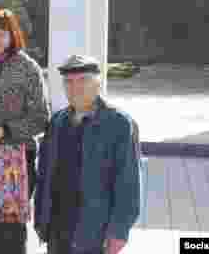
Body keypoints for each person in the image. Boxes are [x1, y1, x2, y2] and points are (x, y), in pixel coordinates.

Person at [35, 55, 141, 254]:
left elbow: (129, 183)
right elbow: (45, 174)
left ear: (97, 83)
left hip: (94, 233)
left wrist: (119, 232)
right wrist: (41, 220)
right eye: (69, 82)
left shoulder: (119, 124)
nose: (75, 87)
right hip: (58, 230)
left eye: (83, 80)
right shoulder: (57, 121)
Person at [0, 8, 50, 253]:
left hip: (17, 158)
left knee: (11, 232)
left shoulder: (27, 67)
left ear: (13, 36)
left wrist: (3, 130)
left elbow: (41, 117)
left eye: (1, 34)